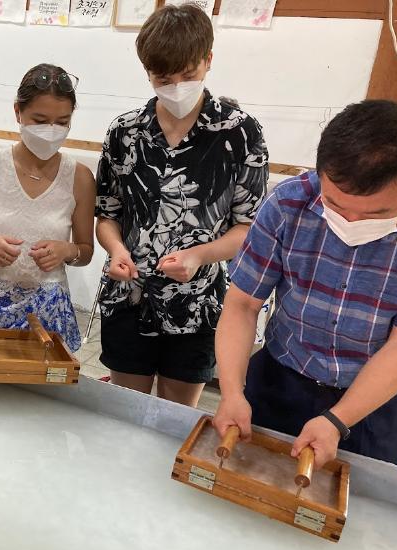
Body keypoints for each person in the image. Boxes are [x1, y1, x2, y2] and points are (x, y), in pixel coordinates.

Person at [214, 100, 397, 469]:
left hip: (375, 400)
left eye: (376, 213)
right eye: (334, 203)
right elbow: (242, 305)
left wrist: (338, 419)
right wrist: (232, 391)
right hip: (280, 379)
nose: (350, 221)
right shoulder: (289, 204)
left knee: (354, 509)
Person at [95, 3, 268, 406]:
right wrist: (117, 249)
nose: (176, 87)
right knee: (125, 412)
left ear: (208, 60)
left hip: (197, 303)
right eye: (162, 78)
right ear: (148, 72)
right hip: (129, 296)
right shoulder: (126, 132)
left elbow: (248, 228)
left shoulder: (239, 133)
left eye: (188, 75)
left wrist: (199, 255)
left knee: (175, 420)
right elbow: (107, 214)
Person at [0, 63, 95, 351]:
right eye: (40, 120)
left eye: (62, 121)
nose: (51, 131)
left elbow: (85, 251)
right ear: (18, 111)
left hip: (49, 311)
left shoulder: (79, 177)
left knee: (43, 391)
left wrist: (67, 250)